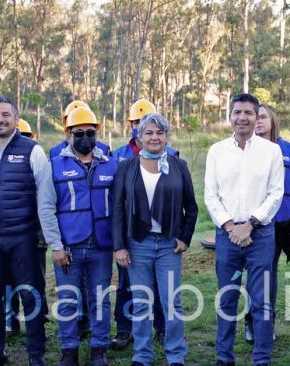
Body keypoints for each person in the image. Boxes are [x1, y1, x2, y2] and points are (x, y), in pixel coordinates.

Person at [0, 96, 62, 366]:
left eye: (6, 114)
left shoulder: (33, 150)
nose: (0, 119)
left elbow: (45, 193)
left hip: (22, 237)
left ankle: (35, 353)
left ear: (16, 119)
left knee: (30, 294)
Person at [204, 93, 284, 366]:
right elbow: (210, 196)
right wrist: (230, 226)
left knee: (261, 299)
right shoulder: (217, 151)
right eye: (237, 112)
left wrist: (249, 224)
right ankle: (224, 357)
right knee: (227, 298)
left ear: (257, 117)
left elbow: (275, 194)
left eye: (249, 113)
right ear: (230, 116)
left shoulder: (271, 151)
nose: (242, 117)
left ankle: (262, 358)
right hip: (227, 235)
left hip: (259, 234)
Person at [114, 112, 198, 366]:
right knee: (141, 303)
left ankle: (175, 356)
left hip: (168, 246)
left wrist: (185, 237)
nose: (154, 137)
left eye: (159, 133)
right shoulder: (126, 168)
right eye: (148, 132)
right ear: (139, 138)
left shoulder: (178, 166)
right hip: (137, 244)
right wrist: (119, 246)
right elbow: (117, 208)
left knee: (172, 303)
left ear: (166, 137)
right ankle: (142, 355)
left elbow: (191, 208)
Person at [50, 107, 116, 366]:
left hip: (101, 245)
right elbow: (47, 207)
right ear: (68, 134)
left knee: (100, 298)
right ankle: (69, 350)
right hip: (69, 247)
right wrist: (56, 245)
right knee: (67, 300)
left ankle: (99, 349)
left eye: (90, 132)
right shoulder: (54, 166)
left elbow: (119, 206)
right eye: (79, 133)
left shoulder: (111, 165)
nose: (85, 138)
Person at [110, 99, 172, 349]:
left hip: (161, 234)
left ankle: (162, 328)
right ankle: (125, 330)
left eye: (145, 123)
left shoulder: (171, 155)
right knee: (126, 285)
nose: (141, 128)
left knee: (159, 286)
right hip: (131, 232)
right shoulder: (118, 158)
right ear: (133, 127)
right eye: (137, 123)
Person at [243, 104, 290, 343]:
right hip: (249, 223)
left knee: (269, 274)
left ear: (272, 120)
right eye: (256, 116)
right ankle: (251, 321)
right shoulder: (242, 149)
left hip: (277, 224)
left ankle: (267, 322)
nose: (259, 120)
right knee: (253, 274)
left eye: (263, 116)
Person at [6, 118, 50, 335]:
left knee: (36, 280)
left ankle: (38, 319)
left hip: (35, 234)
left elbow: (46, 200)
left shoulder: (38, 160)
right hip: (10, 232)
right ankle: (11, 321)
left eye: (26, 136)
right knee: (9, 280)